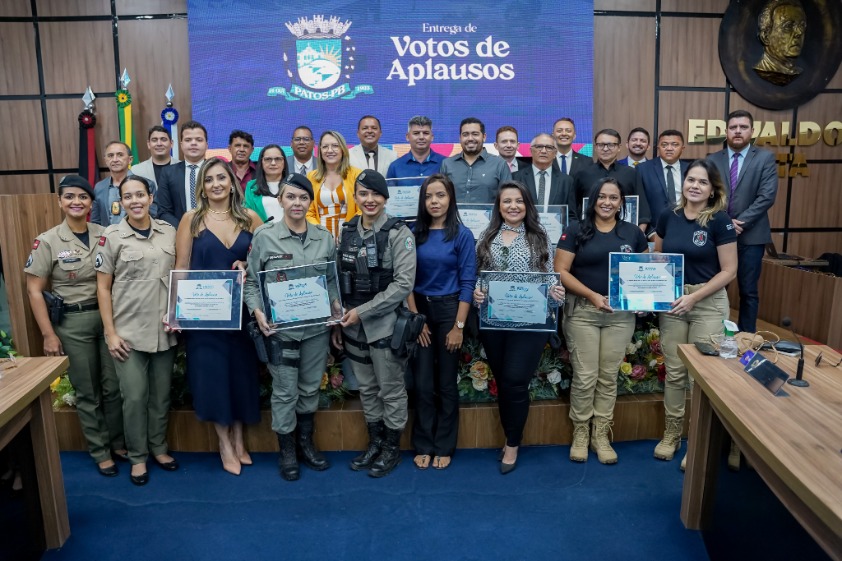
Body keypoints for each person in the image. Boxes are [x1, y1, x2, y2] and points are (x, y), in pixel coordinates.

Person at [25, 175, 125, 477]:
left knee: (114, 387)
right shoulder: (48, 240)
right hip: (73, 322)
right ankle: (100, 450)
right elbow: (34, 290)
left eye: (82, 197)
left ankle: (117, 442)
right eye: (69, 196)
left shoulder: (105, 234)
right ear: (60, 202)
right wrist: (48, 334)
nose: (76, 202)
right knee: (87, 390)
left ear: (91, 203)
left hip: (108, 319)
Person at [244, 173, 339, 481]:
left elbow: (332, 281)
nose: (297, 203)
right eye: (291, 196)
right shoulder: (265, 236)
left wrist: (336, 304)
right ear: (281, 200)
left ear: (310, 202)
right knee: (285, 392)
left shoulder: (324, 237)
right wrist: (257, 311)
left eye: (303, 197)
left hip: (316, 330)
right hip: (280, 331)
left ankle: (305, 444)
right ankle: (286, 451)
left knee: (310, 388)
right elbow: (251, 282)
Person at [174, 157, 263, 476]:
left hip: (241, 317)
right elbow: (181, 267)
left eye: (221, 178)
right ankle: (224, 444)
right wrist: (175, 312)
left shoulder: (250, 218)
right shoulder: (191, 219)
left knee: (240, 378)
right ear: (202, 186)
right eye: (209, 179)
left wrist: (248, 265)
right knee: (212, 380)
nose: (216, 184)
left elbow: (265, 260)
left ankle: (239, 440)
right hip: (204, 317)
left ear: (232, 184)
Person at [473, 181, 564, 474]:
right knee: (504, 381)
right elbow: (480, 275)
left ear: (527, 205)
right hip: (494, 321)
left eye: (519, 201)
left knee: (514, 379)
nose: (513, 206)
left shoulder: (539, 235)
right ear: (499, 207)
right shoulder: (486, 236)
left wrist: (556, 292)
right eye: (507, 201)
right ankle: (509, 435)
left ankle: (513, 442)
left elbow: (549, 275)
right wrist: (477, 293)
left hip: (529, 322)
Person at [555, 178, 648, 464]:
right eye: (602, 197)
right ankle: (581, 432)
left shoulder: (633, 233)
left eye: (613, 198)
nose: (607, 202)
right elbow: (561, 271)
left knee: (608, 377)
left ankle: (601, 434)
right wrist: (592, 295)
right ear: (593, 200)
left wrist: (643, 300)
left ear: (621, 203)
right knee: (585, 377)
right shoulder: (575, 230)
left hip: (620, 317)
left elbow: (646, 272)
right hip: (583, 312)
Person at [95, 174, 179, 486]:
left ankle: (158, 448)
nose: (135, 201)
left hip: (164, 330)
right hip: (127, 334)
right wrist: (110, 333)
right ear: (121, 202)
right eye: (128, 196)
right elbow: (103, 288)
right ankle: (138, 457)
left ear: (150, 198)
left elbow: (180, 275)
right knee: (133, 397)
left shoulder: (168, 232)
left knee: (160, 397)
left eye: (140, 195)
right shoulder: (112, 236)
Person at [332, 170, 417, 478]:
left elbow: (403, 285)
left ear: (385, 197)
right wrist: (338, 313)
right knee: (367, 389)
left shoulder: (399, 233)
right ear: (355, 197)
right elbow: (338, 276)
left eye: (376, 194)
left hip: (385, 326)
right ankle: (376, 443)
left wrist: (363, 311)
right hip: (352, 326)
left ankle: (391, 449)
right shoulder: (346, 231)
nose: (369, 200)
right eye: (363, 194)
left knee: (390, 390)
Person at [653, 159, 737, 468]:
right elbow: (658, 258)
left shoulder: (720, 221)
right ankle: (672, 434)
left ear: (713, 189)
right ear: (683, 182)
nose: (695, 186)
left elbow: (729, 270)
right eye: (691, 179)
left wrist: (694, 297)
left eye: (703, 182)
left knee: (699, 377)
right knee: (675, 371)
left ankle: (697, 441)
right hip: (674, 302)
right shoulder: (668, 216)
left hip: (707, 303)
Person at [406, 174, 476, 470]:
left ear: (451, 199)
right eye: (428, 196)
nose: (434, 201)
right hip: (419, 310)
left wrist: (458, 327)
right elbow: (405, 280)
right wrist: (416, 319)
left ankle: (444, 445)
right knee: (422, 384)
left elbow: (468, 283)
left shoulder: (462, 234)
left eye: (440, 195)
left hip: (450, 311)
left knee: (446, 384)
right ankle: (423, 444)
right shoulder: (413, 233)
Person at [708, 110, 778, 334]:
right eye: (733, 127)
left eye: (743, 127)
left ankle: (748, 338)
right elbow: (708, 196)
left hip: (752, 235)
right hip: (719, 236)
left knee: (748, 291)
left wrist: (740, 222)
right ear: (726, 131)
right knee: (716, 288)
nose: (738, 131)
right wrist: (726, 224)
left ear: (752, 131)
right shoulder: (712, 160)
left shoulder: (765, 158)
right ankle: (714, 334)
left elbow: (767, 196)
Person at [572, 128, 652, 231]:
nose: (605, 149)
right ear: (595, 147)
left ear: (619, 147)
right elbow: (573, 209)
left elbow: (643, 211)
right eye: (601, 145)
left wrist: (636, 235)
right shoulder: (583, 174)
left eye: (610, 145)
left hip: (624, 233)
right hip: (589, 233)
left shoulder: (631, 173)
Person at [440, 117, 511, 204]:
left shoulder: (499, 164)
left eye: (475, 134)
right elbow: (441, 197)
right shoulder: (447, 164)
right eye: (465, 134)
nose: (470, 138)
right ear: (460, 138)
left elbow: (508, 199)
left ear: (484, 137)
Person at [306, 130, 361, 238]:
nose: (330, 150)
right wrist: (321, 234)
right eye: (325, 147)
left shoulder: (356, 175)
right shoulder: (311, 177)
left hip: (351, 235)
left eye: (335, 146)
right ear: (320, 151)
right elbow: (308, 212)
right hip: (319, 237)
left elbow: (361, 210)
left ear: (343, 149)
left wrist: (348, 231)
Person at [513, 133, 578, 223]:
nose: (543, 151)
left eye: (549, 147)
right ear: (531, 151)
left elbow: (571, 216)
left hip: (556, 231)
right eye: (539, 147)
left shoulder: (566, 181)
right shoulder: (516, 178)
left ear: (555, 153)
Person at [156, 120, 209, 227]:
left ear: (206, 145)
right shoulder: (168, 173)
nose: (193, 143)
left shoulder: (217, 170)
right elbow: (164, 211)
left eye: (199, 140)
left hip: (213, 230)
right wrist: (183, 229)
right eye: (188, 140)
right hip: (179, 231)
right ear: (181, 145)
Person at [91, 141, 158, 225]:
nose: (115, 159)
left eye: (120, 155)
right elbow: (95, 221)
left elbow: (153, 215)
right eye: (110, 155)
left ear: (130, 160)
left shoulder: (146, 184)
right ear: (105, 160)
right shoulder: (99, 187)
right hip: (107, 233)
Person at [636, 130, 688, 231]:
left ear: (682, 148)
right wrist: (650, 233)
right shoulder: (643, 169)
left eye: (675, 145)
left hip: (687, 227)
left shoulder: (690, 169)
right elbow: (640, 205)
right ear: (658, 148)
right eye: (664, 145)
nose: (669, 148)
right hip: (654, 230)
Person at [753, 0, 806, 85]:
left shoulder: (798, 71)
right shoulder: (763, 70)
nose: (799, 32)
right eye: (788, 26)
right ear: (766, 37)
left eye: (802, 26)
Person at [386, 115, 445, 186]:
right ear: (407, 137)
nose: (421, 137)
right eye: (416, 133)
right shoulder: (395, 167)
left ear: (432, 137)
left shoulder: (445, 163)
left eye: (426, 133)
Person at [243, 144, 288, 223]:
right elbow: (247, 214)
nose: (273, 163)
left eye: (278, 159)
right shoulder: (251, 186)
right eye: (268, 159)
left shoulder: (293, 184)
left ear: (284, 163)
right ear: (261, 163)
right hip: (261, 230)